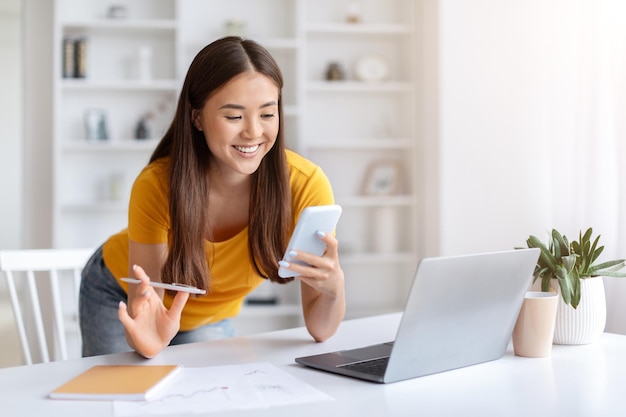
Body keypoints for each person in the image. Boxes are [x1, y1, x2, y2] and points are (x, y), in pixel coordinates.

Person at [79, 37, 345, 359]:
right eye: (234, 117)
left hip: (208, 316)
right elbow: (147, 313)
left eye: (267, 114)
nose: (252, 132)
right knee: (120, 400)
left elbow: (320, 329)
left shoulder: (305, 186)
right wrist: (146, 341)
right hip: (116, 294)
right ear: (197, 118)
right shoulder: (157, 186)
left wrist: (333, 288)